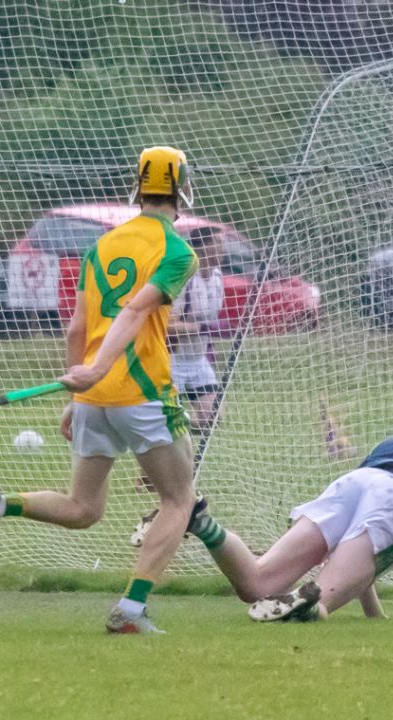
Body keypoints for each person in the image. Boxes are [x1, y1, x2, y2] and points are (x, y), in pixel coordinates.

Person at [0, 146, 200, 635]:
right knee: (179, 499)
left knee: (83, 509)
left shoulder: (98, 248)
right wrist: (99, 369)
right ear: (184, 188)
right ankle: (131, 611)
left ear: (137, 186)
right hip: (140, 393)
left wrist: (77, 392)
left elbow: (76, 328)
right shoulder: (179, 253)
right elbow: (137, 311)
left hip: (95, 398)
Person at [183, 403, 393, 622]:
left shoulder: (388, 445)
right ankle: (312, 598)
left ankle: (203, 523)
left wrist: (374, 615)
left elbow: (356, 554)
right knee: (320, 605)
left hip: (354, 482)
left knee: (257, 583)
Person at [129, 226, 225, 547]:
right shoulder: (186, 279)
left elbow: (211, 326)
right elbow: (162, 323)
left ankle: (167, 476)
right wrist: (194, 327)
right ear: (202, 248)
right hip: (171, 360)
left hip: (198, 361)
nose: (222, 250)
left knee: (211, 418)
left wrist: (210, 341)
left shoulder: (218, 279)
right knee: (171, 422)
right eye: (217, 245)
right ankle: (164, 477)